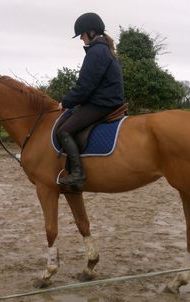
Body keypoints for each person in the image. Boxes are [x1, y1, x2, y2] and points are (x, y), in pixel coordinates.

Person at [56, 12, 125, 188]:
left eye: (82, 34)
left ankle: (78, 174)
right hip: (108, 100)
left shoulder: (96, 52)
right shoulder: (105, 49)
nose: (81, 38)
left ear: (91, 32)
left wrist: (65, 102)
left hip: (102, 103)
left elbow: (84, 87)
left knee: (64, 131)